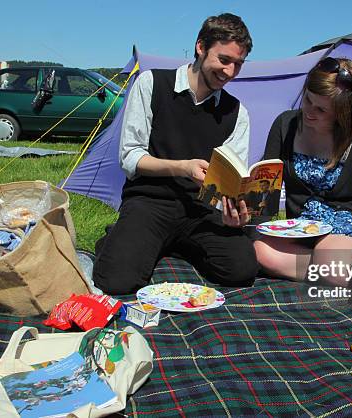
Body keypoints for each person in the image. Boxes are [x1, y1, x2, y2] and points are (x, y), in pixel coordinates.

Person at [93, 13, 258, 295]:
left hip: (200, 210)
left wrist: (233, 212)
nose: (230, 72)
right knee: (116, 281)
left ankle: (172, 243)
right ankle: (120, 238)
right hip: (150, 201)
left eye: (238, 65)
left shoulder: (236, 113)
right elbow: (131, 158)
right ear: (200, 47)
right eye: (224, 60)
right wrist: (182, 167)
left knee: (241, 271)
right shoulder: (152, 85)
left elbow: (229, 180)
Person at [254, 57, 352, 285]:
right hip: (299, 230)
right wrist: (256, 225)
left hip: (343, 230)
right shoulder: (284, 125)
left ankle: (338, 271)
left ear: (343, 113)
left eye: (321, 109)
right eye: (307, 100)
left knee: (328, 255)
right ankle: (343, 275)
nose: (309, 111)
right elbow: (267, 190)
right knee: (260, 251)